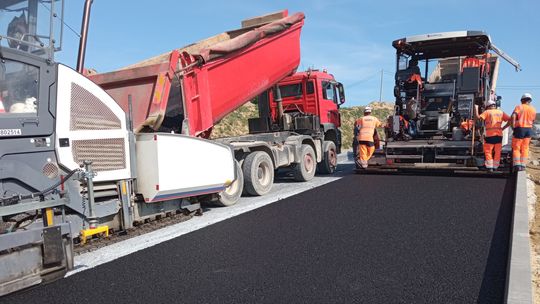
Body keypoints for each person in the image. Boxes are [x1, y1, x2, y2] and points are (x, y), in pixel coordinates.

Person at [475, 100, 510, 171]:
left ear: (488, 106)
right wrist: (504, 127)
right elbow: (510, 120)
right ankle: (495, 166)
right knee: (497, 151)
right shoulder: (501, 112)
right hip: (499, 135)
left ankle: (489, 167)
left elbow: (478, 118)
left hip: (490, 136)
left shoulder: (487, 112)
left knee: (488, 151)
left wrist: (476, 109)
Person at [511, 93, 536, 171]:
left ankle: (517, 165)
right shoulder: (533, 109)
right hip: (528, 130)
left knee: (516, 147)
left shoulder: (519, 107)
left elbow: (513, 116)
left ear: (522, 100)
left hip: (520, 129)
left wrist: (513, 126)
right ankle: (523, 165)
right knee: (525, 148)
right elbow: (533, 120)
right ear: (530, 100)